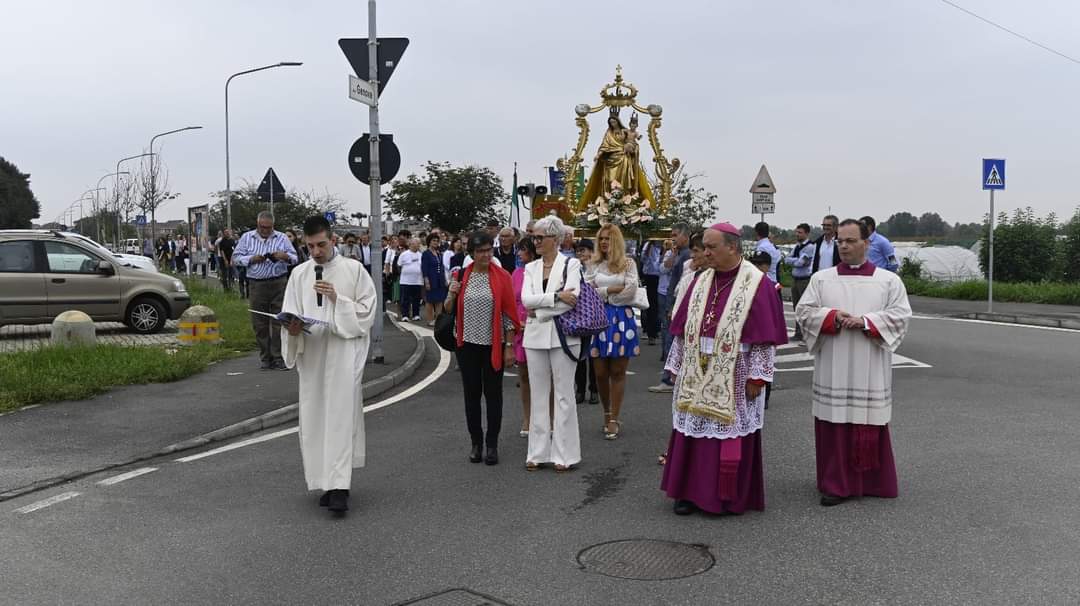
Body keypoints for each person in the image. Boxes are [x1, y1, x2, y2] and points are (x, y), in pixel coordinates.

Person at [660, 223, 787, 516]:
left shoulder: (758, 283)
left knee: (729, 431)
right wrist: (677, 365)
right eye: (704, 246)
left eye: (711, 247)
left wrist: (758, 376)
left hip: (735, 369)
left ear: (732, 247)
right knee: (691, 432)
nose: (705, 253)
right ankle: (688, 493)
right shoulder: (700, 280)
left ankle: (725, 496)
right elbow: (682, 330)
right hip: (696, 367)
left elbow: (765, 339)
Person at [795, 219, 911, 507]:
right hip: (833, 363)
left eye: (850, 241)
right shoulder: (822, 279)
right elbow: (804, 311)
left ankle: (873, 482)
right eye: (840, 241)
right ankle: (836, 484)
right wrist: (831, 317)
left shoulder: (888, 281)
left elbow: (901, 316)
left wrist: (866, 321)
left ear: (866, 243)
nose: (844, 246)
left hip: (870, 364)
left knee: (868, 419)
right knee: (834, 421)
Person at [281, 215, 377, 515]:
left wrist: (338, 300)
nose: (316, 252)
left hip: (342, 353)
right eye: (310, 246)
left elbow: (367, 312)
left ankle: (340, 487)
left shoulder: (353, 270)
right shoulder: (299, 274)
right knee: (314, 419)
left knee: (339, 418)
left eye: (321, 244)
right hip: (312, 354)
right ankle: (325, 481)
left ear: (332, 239)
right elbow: (290, 312)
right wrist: (292, 329)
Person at [445, 231, 520, 466]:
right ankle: (476, 443)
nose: (486, 255)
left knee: (493, 395)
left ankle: (492, 444)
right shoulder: (461, 275)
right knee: (471, 395)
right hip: (466, 345)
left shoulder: (502, 276)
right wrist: (451, 293)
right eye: (481, 251)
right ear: (472, 254)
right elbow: (447, 310)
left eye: (489, 250)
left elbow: (509, 315)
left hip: (493, 345)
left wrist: (509, 346)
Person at [522, 215, 583, 472]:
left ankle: (565, 454)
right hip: (535, 338)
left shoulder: (572, 264)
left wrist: (542, 309)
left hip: (564, 337)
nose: (534, 242)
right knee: (538, 395)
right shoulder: (530, 268)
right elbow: (526, 300)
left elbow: (574, 298)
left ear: (555, 239)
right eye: (533, 237)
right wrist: (556, 297)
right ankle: (537, 452)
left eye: (539, 237)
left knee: (564, 395)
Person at [585, 224, 640, 440]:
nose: (604, 242)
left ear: (616, 240)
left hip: (622, 320)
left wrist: (608, 296)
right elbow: (586, 291)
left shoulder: (628, 263)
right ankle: (606, 412)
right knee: (599, 372)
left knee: (617, 371)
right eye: (601, 239)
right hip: (598, 318)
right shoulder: (593, 264)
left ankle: (614, 418)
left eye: (608, 238)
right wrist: (609, 291)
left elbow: (630, 291)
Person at [233, 211, 298, 370]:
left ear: (273, 226)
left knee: (280, 321)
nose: (265, 231)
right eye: (262, 227)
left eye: (268, 228)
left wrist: (285, 256)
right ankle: (265, 357)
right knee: (259, 322)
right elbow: (235, 258)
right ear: (257, 225)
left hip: (278, 282)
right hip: (257, 284)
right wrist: (251, 259)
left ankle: (278, 356)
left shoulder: (282, 238)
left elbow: (295, 258)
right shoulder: (247, 238)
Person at [649, 224, 691, 393]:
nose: (672, 238)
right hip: (669, 298)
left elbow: (682, 283)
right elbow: (663, 269)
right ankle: (671, 376)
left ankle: (669, 379)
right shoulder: (678, 254)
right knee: (670, 339)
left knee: (671, 340)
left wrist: (673, 306)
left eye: (675, 235)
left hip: (675, 301)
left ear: (685, 236)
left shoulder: (687, 255)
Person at [511, 237, 538, 437]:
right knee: (525, 377)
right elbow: (510, 302)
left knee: (546, 377)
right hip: (520, 328)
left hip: (539, 326)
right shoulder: (517, 273)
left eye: (522, 250)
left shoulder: (543, 271)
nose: (519, 254)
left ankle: (548, 417)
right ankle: (527, 417)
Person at [574, 239, 599, 406]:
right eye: (578, 251)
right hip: (579, 314)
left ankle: (595, 390)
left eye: (583, 250)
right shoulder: (574, 268)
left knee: (594, 355)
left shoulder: (597, 268)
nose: (580, 254)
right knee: (580, 354)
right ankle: (580, 390)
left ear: (591, 251)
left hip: (595, 314)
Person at [783, 223, 815, 341]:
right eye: (796, 232)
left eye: (800, 232)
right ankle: (798, 332)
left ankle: (806, 333)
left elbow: (800, 263)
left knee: (805, 308)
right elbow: (786, 259)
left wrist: (794, 261)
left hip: (804, 280)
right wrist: (795, 260)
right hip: (795, 279)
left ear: (807, 233)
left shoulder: (810, 247)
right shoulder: (797, 247)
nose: (797, 234)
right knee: (796, 307)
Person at [639, 239, 662, 346]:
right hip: (650, 277)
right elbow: (643, 259)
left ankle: (656, 330)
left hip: (661, 278)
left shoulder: (665, 243)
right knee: (650, 306)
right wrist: (649, 245)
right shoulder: (648, 244)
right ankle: (650, 333)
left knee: (658, 306)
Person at [422, 233, 448, 326]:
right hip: (431, 278)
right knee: (430, 300)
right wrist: (426, 280)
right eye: (434, 240)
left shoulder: (439, 253)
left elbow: (442, 267)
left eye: (437, 241)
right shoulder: (426, 253)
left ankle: (438, 319)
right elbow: (424, 268)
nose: (436, 242)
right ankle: (430, 319)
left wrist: (445, 279)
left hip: (439, 279)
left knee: (440, 300)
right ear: (429, 242)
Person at [396, 237, 424, 321]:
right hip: (406, 281)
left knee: (416, 299)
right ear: (411, 244)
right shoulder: (404, 254)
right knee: (405, 299)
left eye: (419, 243)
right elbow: (399, 266)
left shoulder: (421, 255)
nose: (418, 245)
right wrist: (404, 273)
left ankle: (416, 314)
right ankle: (405, 315)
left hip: (417, 281)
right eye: (416, 243)